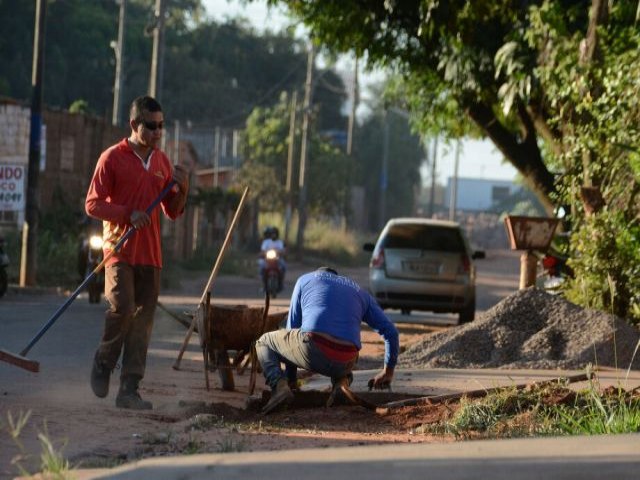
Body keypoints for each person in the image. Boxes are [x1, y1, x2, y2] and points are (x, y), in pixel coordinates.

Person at [85, 95, 189, 410]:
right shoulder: (111, 158)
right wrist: (127, 213)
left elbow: (173, 212)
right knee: (122, 309)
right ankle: (103, 361)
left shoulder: (162, 162)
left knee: (143, 324)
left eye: (161, 126)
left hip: (151, 255)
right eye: (152, 126)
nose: (158, 132)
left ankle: (129, 389)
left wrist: (182, 189)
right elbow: (93, 204)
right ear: (134, 124)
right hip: (118, 250)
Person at [256, 267, 399, 414]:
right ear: (337, 278)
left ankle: (279, 387)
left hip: (313, 349)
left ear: (319, 273)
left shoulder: (304, 280)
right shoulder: (360, 292)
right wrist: (388, 372)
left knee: (264, 341)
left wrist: (291, 380)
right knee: (347, 348)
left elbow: (292, 329)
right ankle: (341, 386)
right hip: (346, 360)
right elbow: (391, 333)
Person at [258, 226, 286, 291]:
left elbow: (282, 251)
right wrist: (263, 254)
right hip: (267, 260)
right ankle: (263, 284)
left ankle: (281, 283)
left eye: (275, 233)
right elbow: (262, 251)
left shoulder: (280, 242)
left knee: (283, 267)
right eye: (272, 233)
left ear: (277, 234)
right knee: (262, 268)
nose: (274, 235)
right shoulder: (266, 242)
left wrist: (280, 252)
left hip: (277, 259)